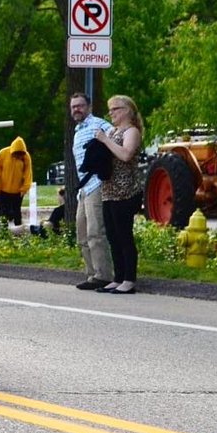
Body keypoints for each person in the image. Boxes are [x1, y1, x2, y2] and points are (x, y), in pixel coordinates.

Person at [93, 95, 144, 294]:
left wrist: (105, 140)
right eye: (110, 109)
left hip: (126, 191)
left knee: (124, 235)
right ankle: (118, 276)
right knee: (113, 236)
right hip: (109, 190)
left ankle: (129, 279)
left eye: (115, 109)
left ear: (127, 111)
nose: (111, 113)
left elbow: (125, 154)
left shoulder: (132, 131)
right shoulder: (113, 130)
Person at [69, 92, 114, 290]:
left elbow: (117, 137)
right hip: (83, 188)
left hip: (96, 184)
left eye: (80, 106)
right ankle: (91, 274)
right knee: (82, 232)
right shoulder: (78, 130)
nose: (76, 109)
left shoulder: (99, 124)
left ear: (88, 106)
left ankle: (104, 274)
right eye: (73, 107)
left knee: (95, 231)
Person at [0, 136, 33, 226]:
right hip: (3, 190)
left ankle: (18, 231)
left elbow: (28, 174)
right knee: (3, 213)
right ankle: (3, 231)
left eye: (21, 154)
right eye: (17, 154)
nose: (19, 156)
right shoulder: (3, 154)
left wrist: (24, 189)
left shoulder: (26, 157)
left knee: (17, 212)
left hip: (18, 192)